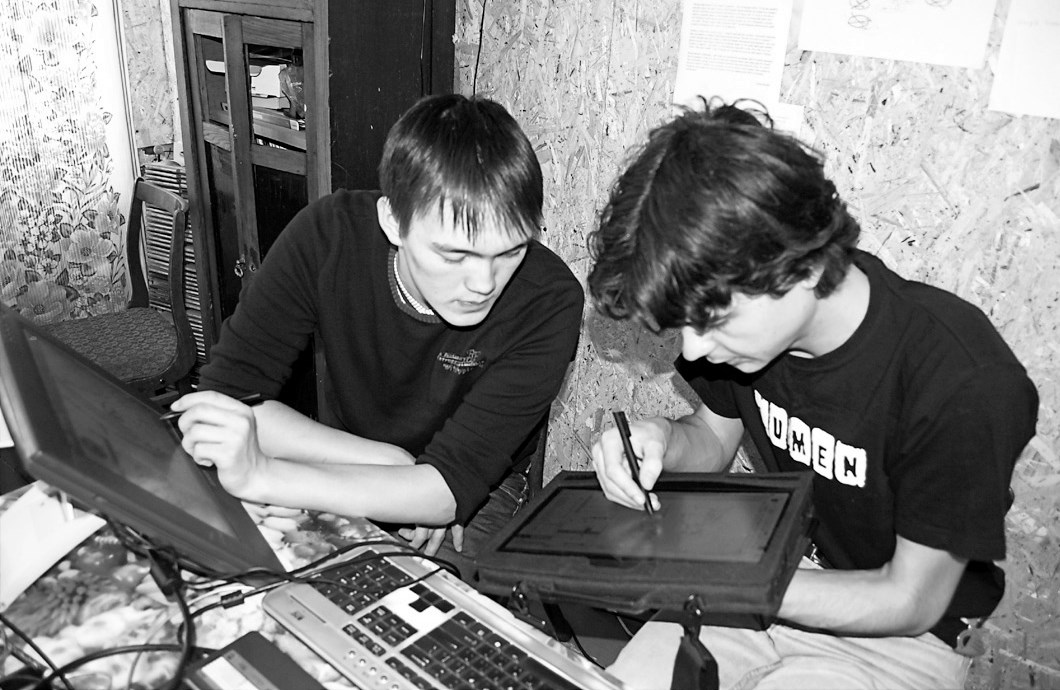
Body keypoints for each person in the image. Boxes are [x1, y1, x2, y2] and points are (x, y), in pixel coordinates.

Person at [585, 100, 1038, 690]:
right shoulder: (744, 338)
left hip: (898, 637)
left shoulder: (961, 378)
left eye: (712, 321)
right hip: (764, 577)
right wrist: (663, 440)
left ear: (796, 264)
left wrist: (722, 579)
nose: (693, 348)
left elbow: (911, 600)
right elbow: (715, 439)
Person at [169, 94, 584, 576]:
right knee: (246, 571)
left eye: (510, 251)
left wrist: (263, 475)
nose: (483, 283)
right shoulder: (327, 237)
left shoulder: (548, 301)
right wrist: (389, 463)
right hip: (353, 453)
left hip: (479, 487)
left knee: (420, 597)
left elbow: (449, 489)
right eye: (454, 255)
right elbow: (222, 403)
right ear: (393, 223)